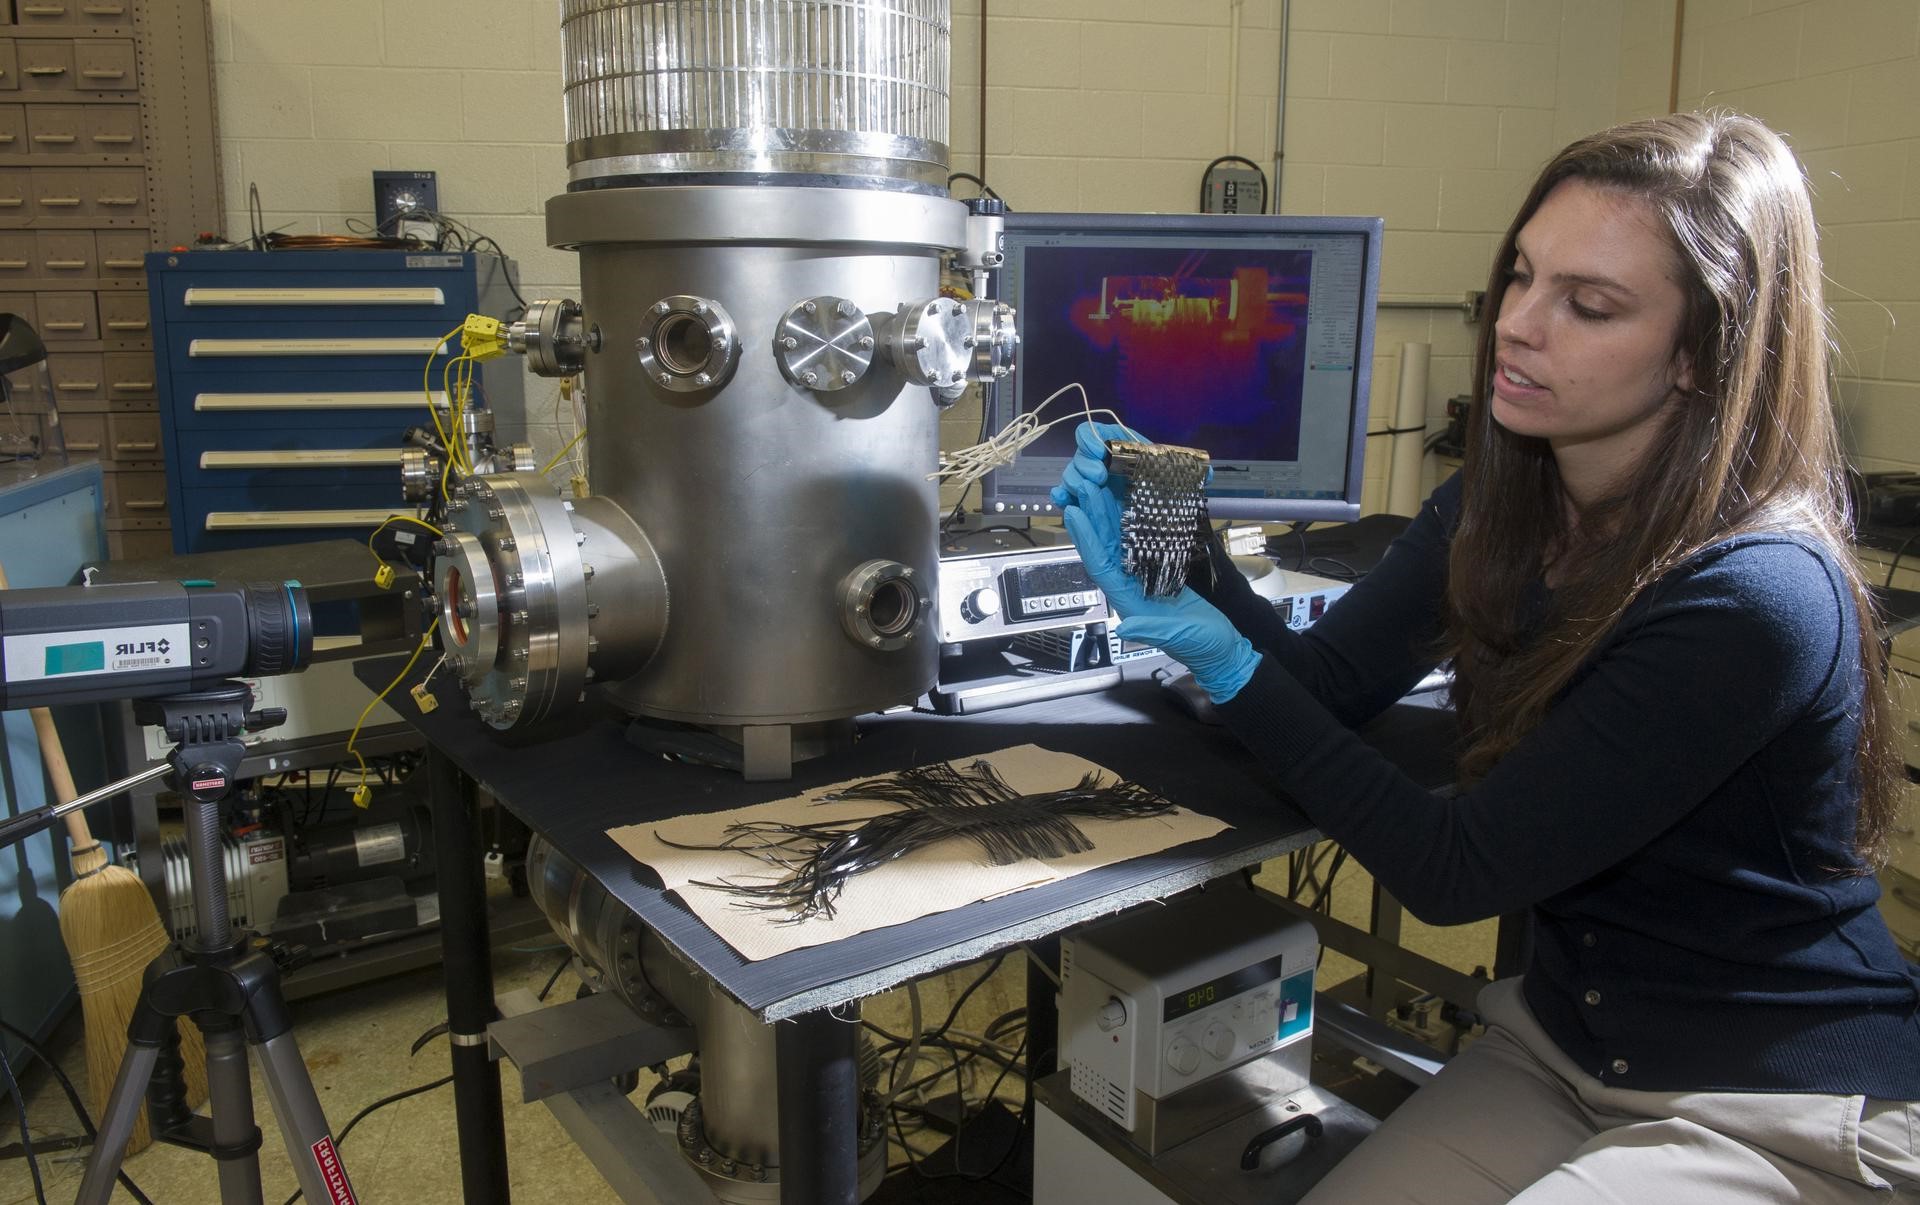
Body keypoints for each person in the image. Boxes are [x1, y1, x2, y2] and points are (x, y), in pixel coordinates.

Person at [1053, 110, 1920, 1202]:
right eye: (1520, 277)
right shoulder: (1502, 505)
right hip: (1560, 1048)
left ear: (1704, 352)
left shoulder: (1754, 595)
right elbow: (1328, 685)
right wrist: (1195, 553)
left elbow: (1453, 869)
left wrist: (1223, 661)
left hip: (1771, 1096)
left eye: (1588, 304)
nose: (1518, 325)